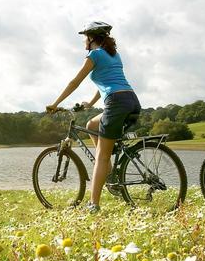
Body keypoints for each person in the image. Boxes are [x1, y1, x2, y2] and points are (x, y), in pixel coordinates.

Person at [46, 21, 141, 213]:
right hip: (131, 100)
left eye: (84, 38)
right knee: (91, 124)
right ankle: (110, 171)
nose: (83, 42)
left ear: (91, 39)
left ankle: (93, 205)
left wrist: (55, 104)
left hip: (116, 103)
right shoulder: (114, 55)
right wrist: (90, 103)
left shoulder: (94, 54)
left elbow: (75, 82)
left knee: (101, 157)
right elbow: (107, 83)